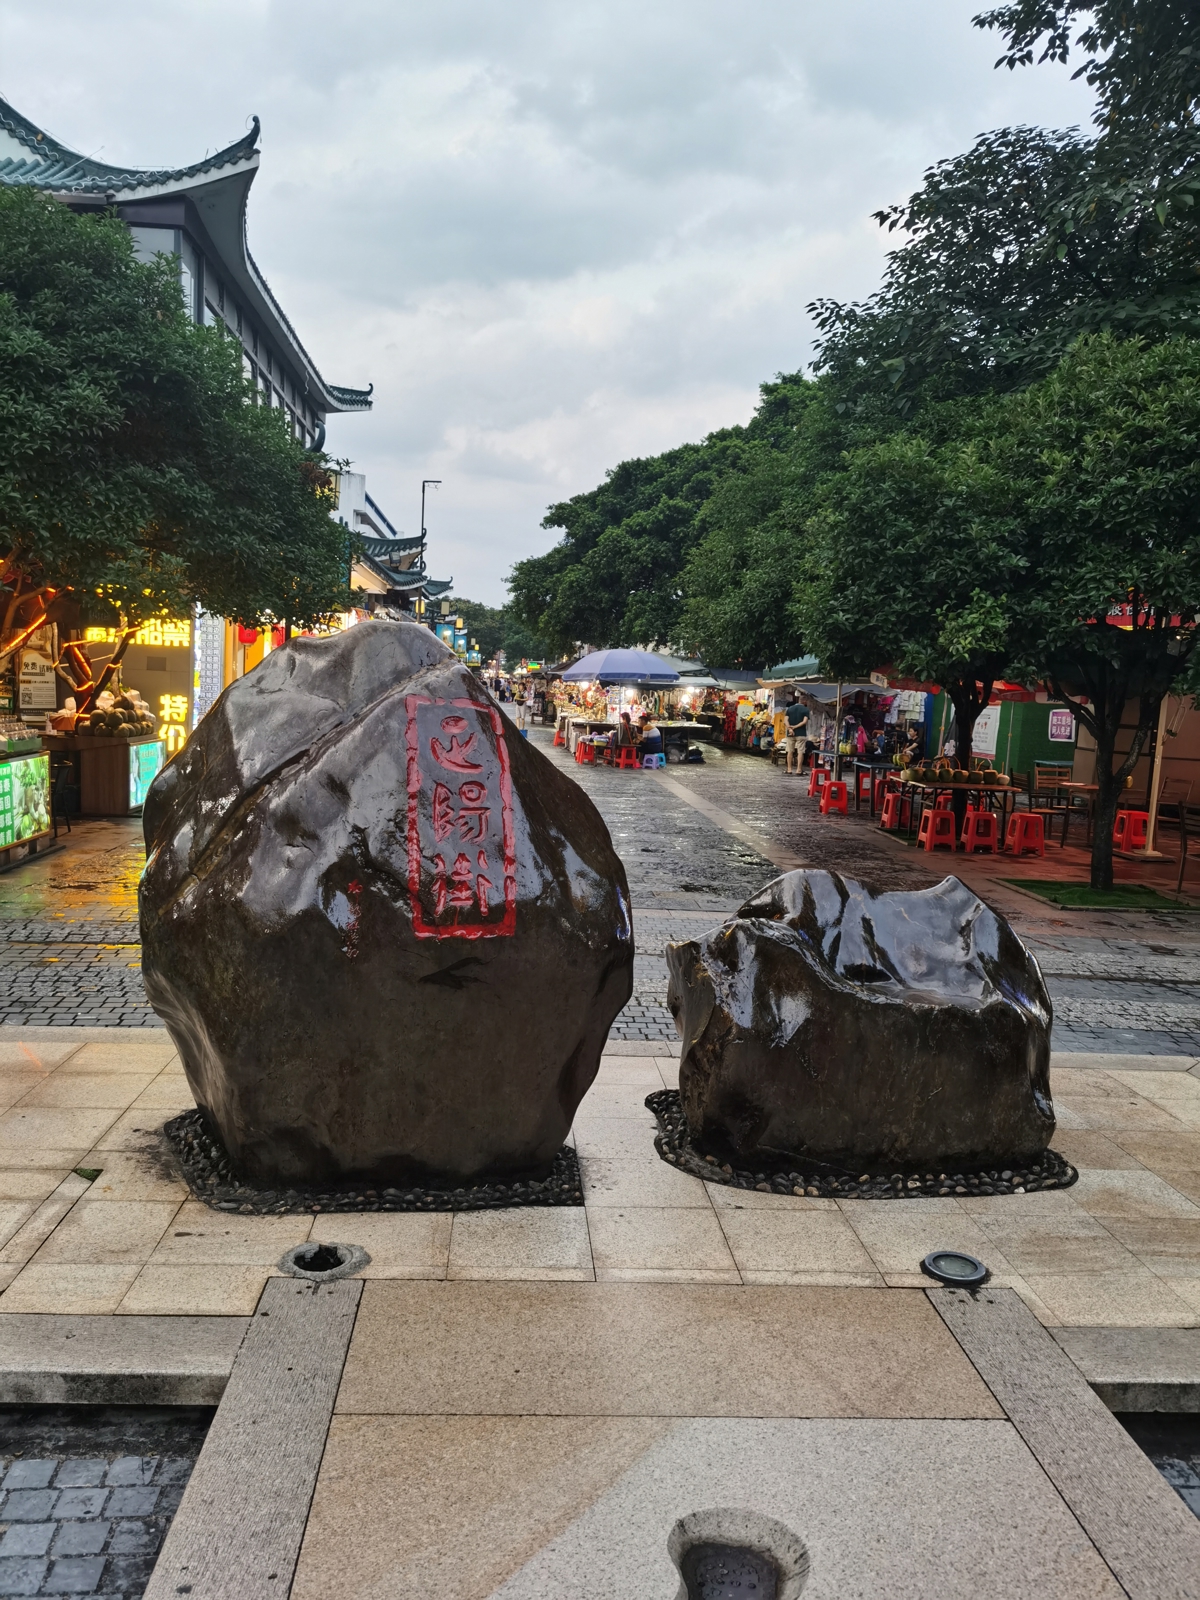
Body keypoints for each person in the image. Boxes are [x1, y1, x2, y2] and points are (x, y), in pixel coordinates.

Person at [783, 695, 809, 775]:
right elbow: (804, 722)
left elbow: (785, 720)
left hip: (790, 734)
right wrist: (795, 727)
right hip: (801, 733)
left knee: (790, 751)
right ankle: (798, 770)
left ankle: (789, 769)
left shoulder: (790, 709)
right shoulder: (805, 709)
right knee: (800, 751)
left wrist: (790, 729)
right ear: (804, 701)